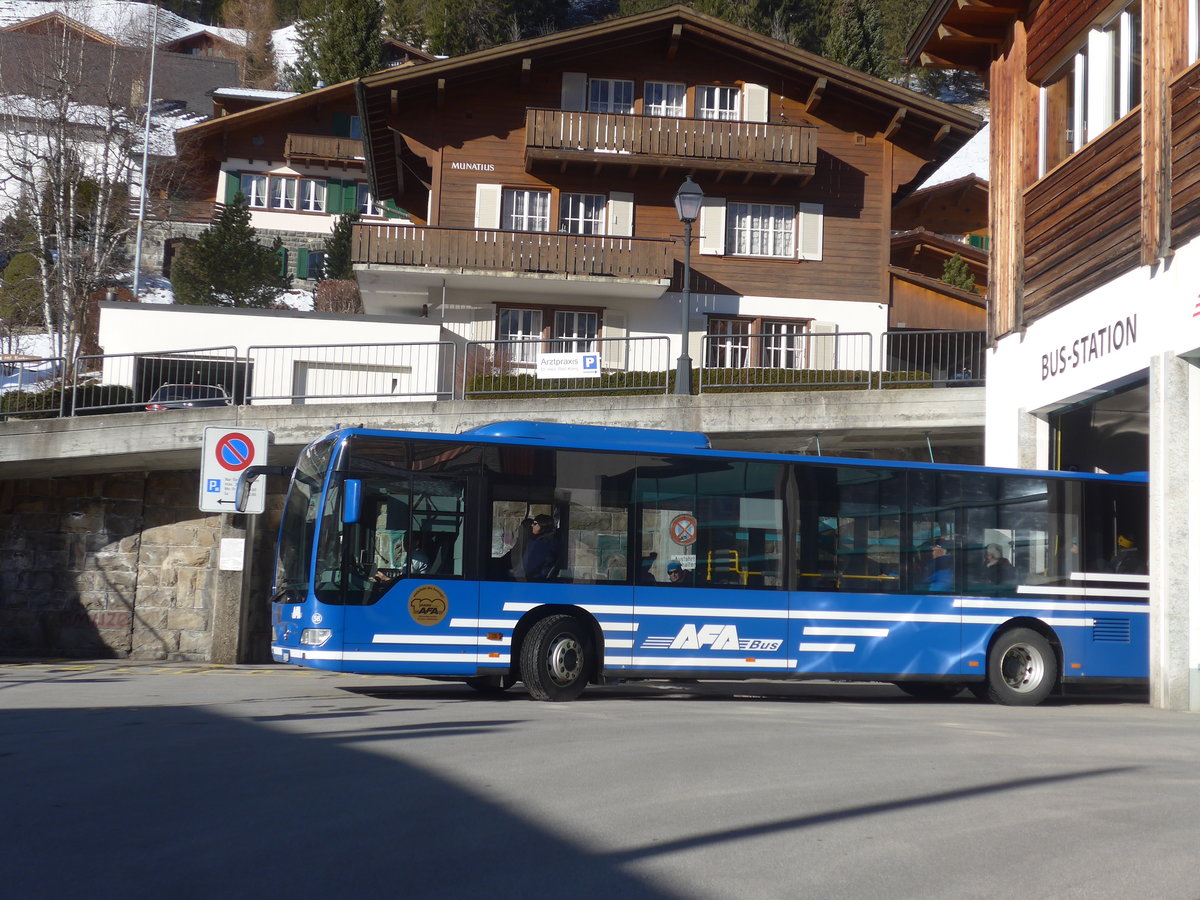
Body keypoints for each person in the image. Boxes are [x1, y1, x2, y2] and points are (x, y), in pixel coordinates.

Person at [521, 514, 559, 581]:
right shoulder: (545, 541)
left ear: (542, 526)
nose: (532, 525)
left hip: (533, 580)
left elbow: (529, 567)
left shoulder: (541, 544)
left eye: (535, 523)